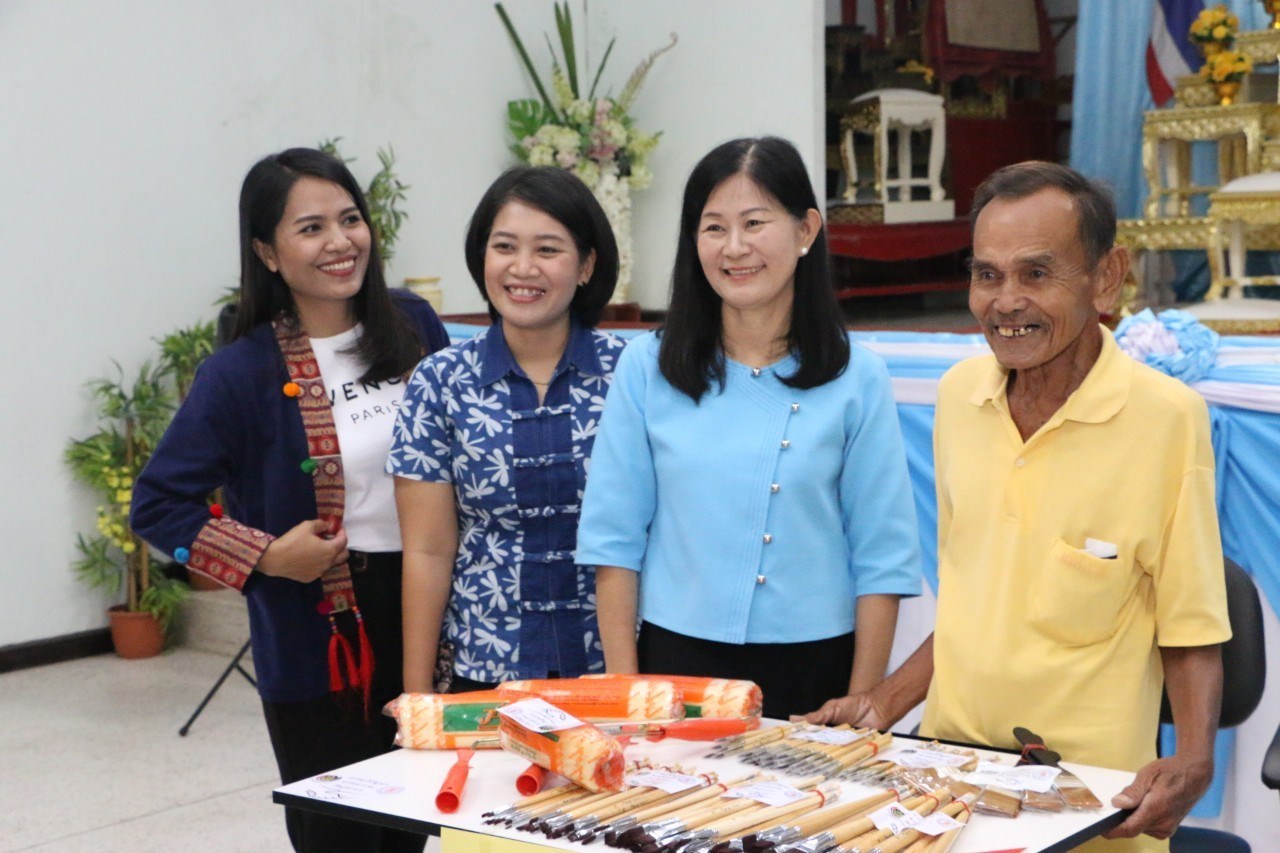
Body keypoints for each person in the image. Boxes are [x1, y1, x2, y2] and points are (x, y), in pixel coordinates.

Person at [803, 161, 1231, 851]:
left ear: (1106, 277)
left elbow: (1191, 625)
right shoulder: (958, 397)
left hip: (1095, 801)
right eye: (987, 274)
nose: (1006, 302)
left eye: (1036, 274)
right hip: (947, 781)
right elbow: (976, 602)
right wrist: (882, 702)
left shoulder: (1167, 420)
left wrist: (1194, 759)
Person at [131, 148, 448, 853]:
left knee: (426, 818)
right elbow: (157, 503)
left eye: (350, 219)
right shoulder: (240, 371)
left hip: (433, 610)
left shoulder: (412, 323)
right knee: (342, 830)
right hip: (323, 635)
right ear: (267, 253)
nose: (340, 242)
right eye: (311, 228)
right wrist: (267, 555)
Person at [575, 136, 922, 720]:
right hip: (675, 664)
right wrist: (626, 690)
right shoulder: (647, 367)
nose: (734, 248)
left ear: (806, 230)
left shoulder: (858, 377)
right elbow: (613, 542)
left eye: (754, 223)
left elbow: (882, 556)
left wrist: (861, 703)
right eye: (714, 228)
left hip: (817, 666)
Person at [388, 166, 624, 693]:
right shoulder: (440, 381)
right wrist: (417, 693)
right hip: (485, 666)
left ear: (586, 265)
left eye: (547, 249)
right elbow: (427, 551)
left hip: (612, 665)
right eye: (504, 247)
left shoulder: (632, 375)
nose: (522, 268)